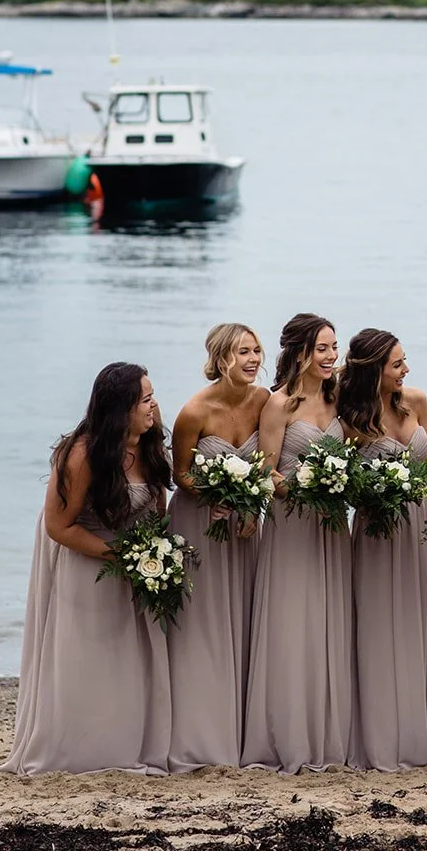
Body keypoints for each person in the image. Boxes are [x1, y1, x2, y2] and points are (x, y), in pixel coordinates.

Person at [0, 363, 171, 775]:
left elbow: (158, 501)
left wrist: (157, 552)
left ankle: (128, 741)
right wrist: (121, 557)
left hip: (135, 565)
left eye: (152, 396)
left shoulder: (148, 443)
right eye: (146, 399)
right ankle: (82, 749)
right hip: (89, 565)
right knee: (90, 657)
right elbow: (59, 526)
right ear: (121, 408)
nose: (154, 405)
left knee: (130, 658)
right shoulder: (82, 454)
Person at [242, 313, 352, 772]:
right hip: (292, 526)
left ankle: (332, 733)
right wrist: (304, 487)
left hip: (332, 528)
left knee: (330, 621)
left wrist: (345, 482)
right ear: (301, 352)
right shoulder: (279, 404)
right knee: (292, 623)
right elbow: (266, 473)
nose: (331, 356)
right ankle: (287, 734)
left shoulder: (339, 396)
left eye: (334, 347)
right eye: (323, 348)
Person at [337, 328, 427, 770]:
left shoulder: (415, 401)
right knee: (379, 626)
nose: (406, 370)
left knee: (417, 622)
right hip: (377, 531)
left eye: (405, 361)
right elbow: (341, 482)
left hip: (418, 526)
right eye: (397, 364)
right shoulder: (347, 414)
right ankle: (379, 734)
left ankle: (423, 731)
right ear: (374, 369)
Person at [166, 323, 269, 770]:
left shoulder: (264, 401)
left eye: (257, 351)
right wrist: (216, 498)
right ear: (221, 358)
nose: (253, 359)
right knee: (205, 624)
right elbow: (180, 474)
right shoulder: (194, 412)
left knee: (244, 616)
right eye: (243, 352)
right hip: (199, 523)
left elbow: (268, 460)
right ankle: (200, 731)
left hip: (245, 526)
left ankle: (244, 729)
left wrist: (251, 502)